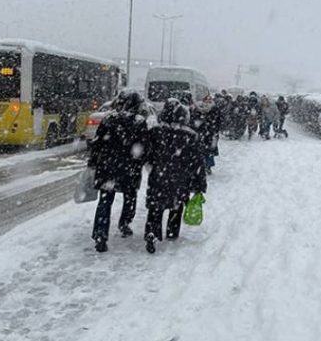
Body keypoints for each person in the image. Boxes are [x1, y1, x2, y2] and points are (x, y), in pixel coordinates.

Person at [144, 99, 207, 253]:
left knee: (155, 207)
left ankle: (152, 232)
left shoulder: (155, 132)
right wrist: (199, 184)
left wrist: (152, 166)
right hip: (180, 178)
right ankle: (171, 232)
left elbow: (147, 153)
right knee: (176, 205)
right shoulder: (190, 136)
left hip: (158, 176)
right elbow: (198, 162)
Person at [88, 91, 149, 253]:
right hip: (129, 168)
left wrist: (93, 162)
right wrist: (140, 161)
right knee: (130, 197)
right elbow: (143, 147)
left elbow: (97, 143)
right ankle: (125, 223)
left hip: (107, 166)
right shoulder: (139, 122)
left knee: (105, 200)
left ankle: (100, 234)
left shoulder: (108, 119)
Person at [192, 94, 222, 174]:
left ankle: (208, 167)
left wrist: (215, 130)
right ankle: (201, 166)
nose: (207, 101)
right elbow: (194, 120)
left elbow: (218, 121)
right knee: (200, 151)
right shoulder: (198, 109)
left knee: (209, 151)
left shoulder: (215, 109)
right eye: (206, 100)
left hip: (211, 133)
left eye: (209, 100)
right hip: (201, 133)